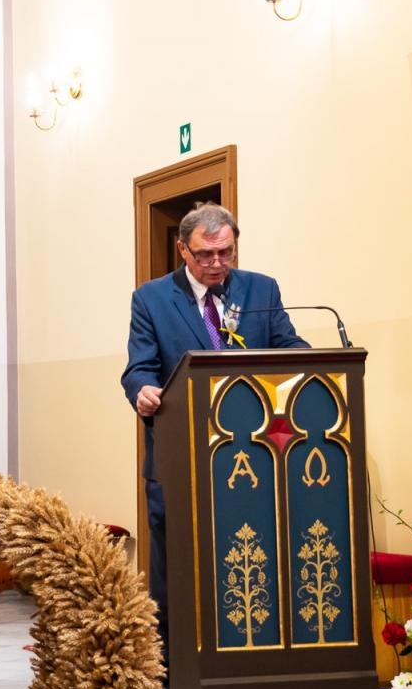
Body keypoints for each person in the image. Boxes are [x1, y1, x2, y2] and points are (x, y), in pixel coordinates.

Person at [121, 204, 308, 653]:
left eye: (226, 252)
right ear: (182, 249)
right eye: (205, 255)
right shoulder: (151, 298)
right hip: (182, 458)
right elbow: (139, 369)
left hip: (259, 460)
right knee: (179, 569)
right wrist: (143, 391)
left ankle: (254, 655)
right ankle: (174, 664)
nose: (217, 264)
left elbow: (292, 348)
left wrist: (309, 362)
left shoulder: (260, 290)